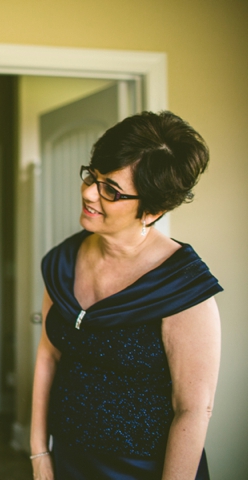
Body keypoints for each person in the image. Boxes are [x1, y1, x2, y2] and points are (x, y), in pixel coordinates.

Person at [30, 111, 222, 480]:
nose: (88, 193)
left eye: (111, 190)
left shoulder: (184, 286)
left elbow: (193, 410)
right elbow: (48, 356)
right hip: (67, 458)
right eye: (92, 176)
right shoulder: (63, 261)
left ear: (153, 210)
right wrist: (39, 452)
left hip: (140, 469)